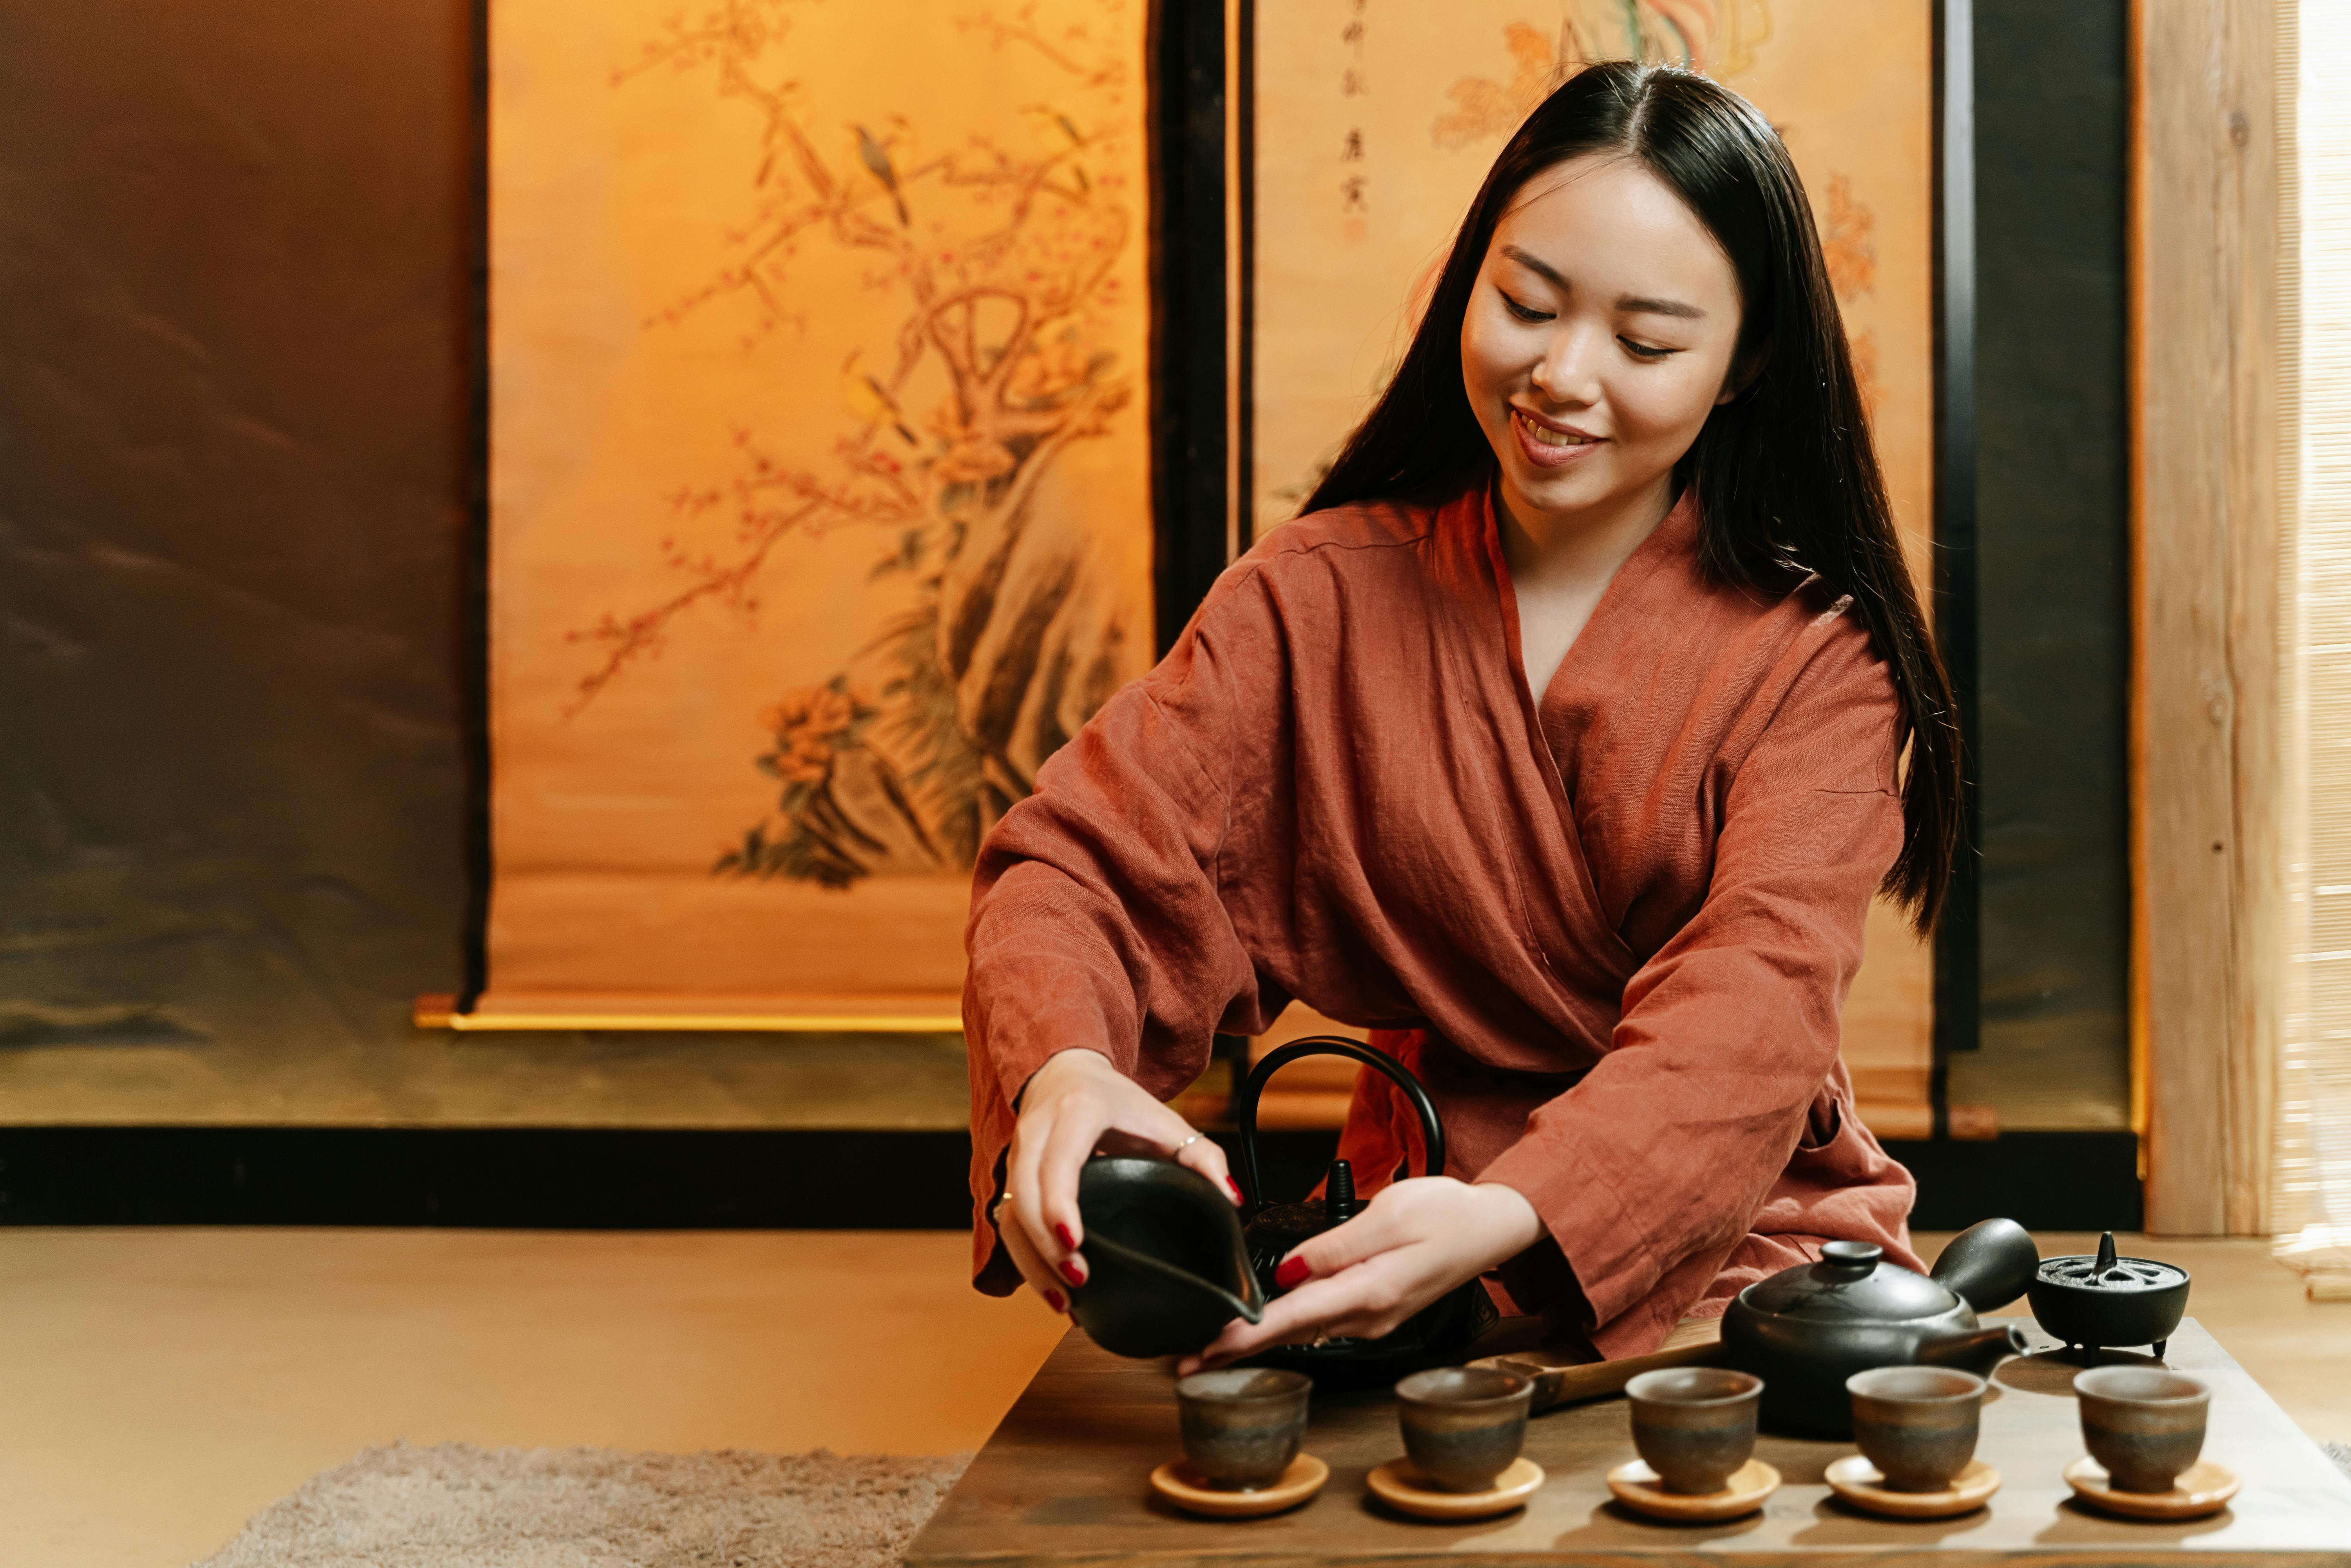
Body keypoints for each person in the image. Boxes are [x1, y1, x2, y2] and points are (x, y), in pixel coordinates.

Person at [960, 60, 1959, 1372]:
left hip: (1733, 1233)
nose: (1561, 375)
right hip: (1397, 1220)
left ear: (1743, 366)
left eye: (1647, 343)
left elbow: (1758, 1008)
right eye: (1526, 303)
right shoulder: (1313, 597)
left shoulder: (1817, 659)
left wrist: (1520, 1211)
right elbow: (1081, 864)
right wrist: (1065, 1071)